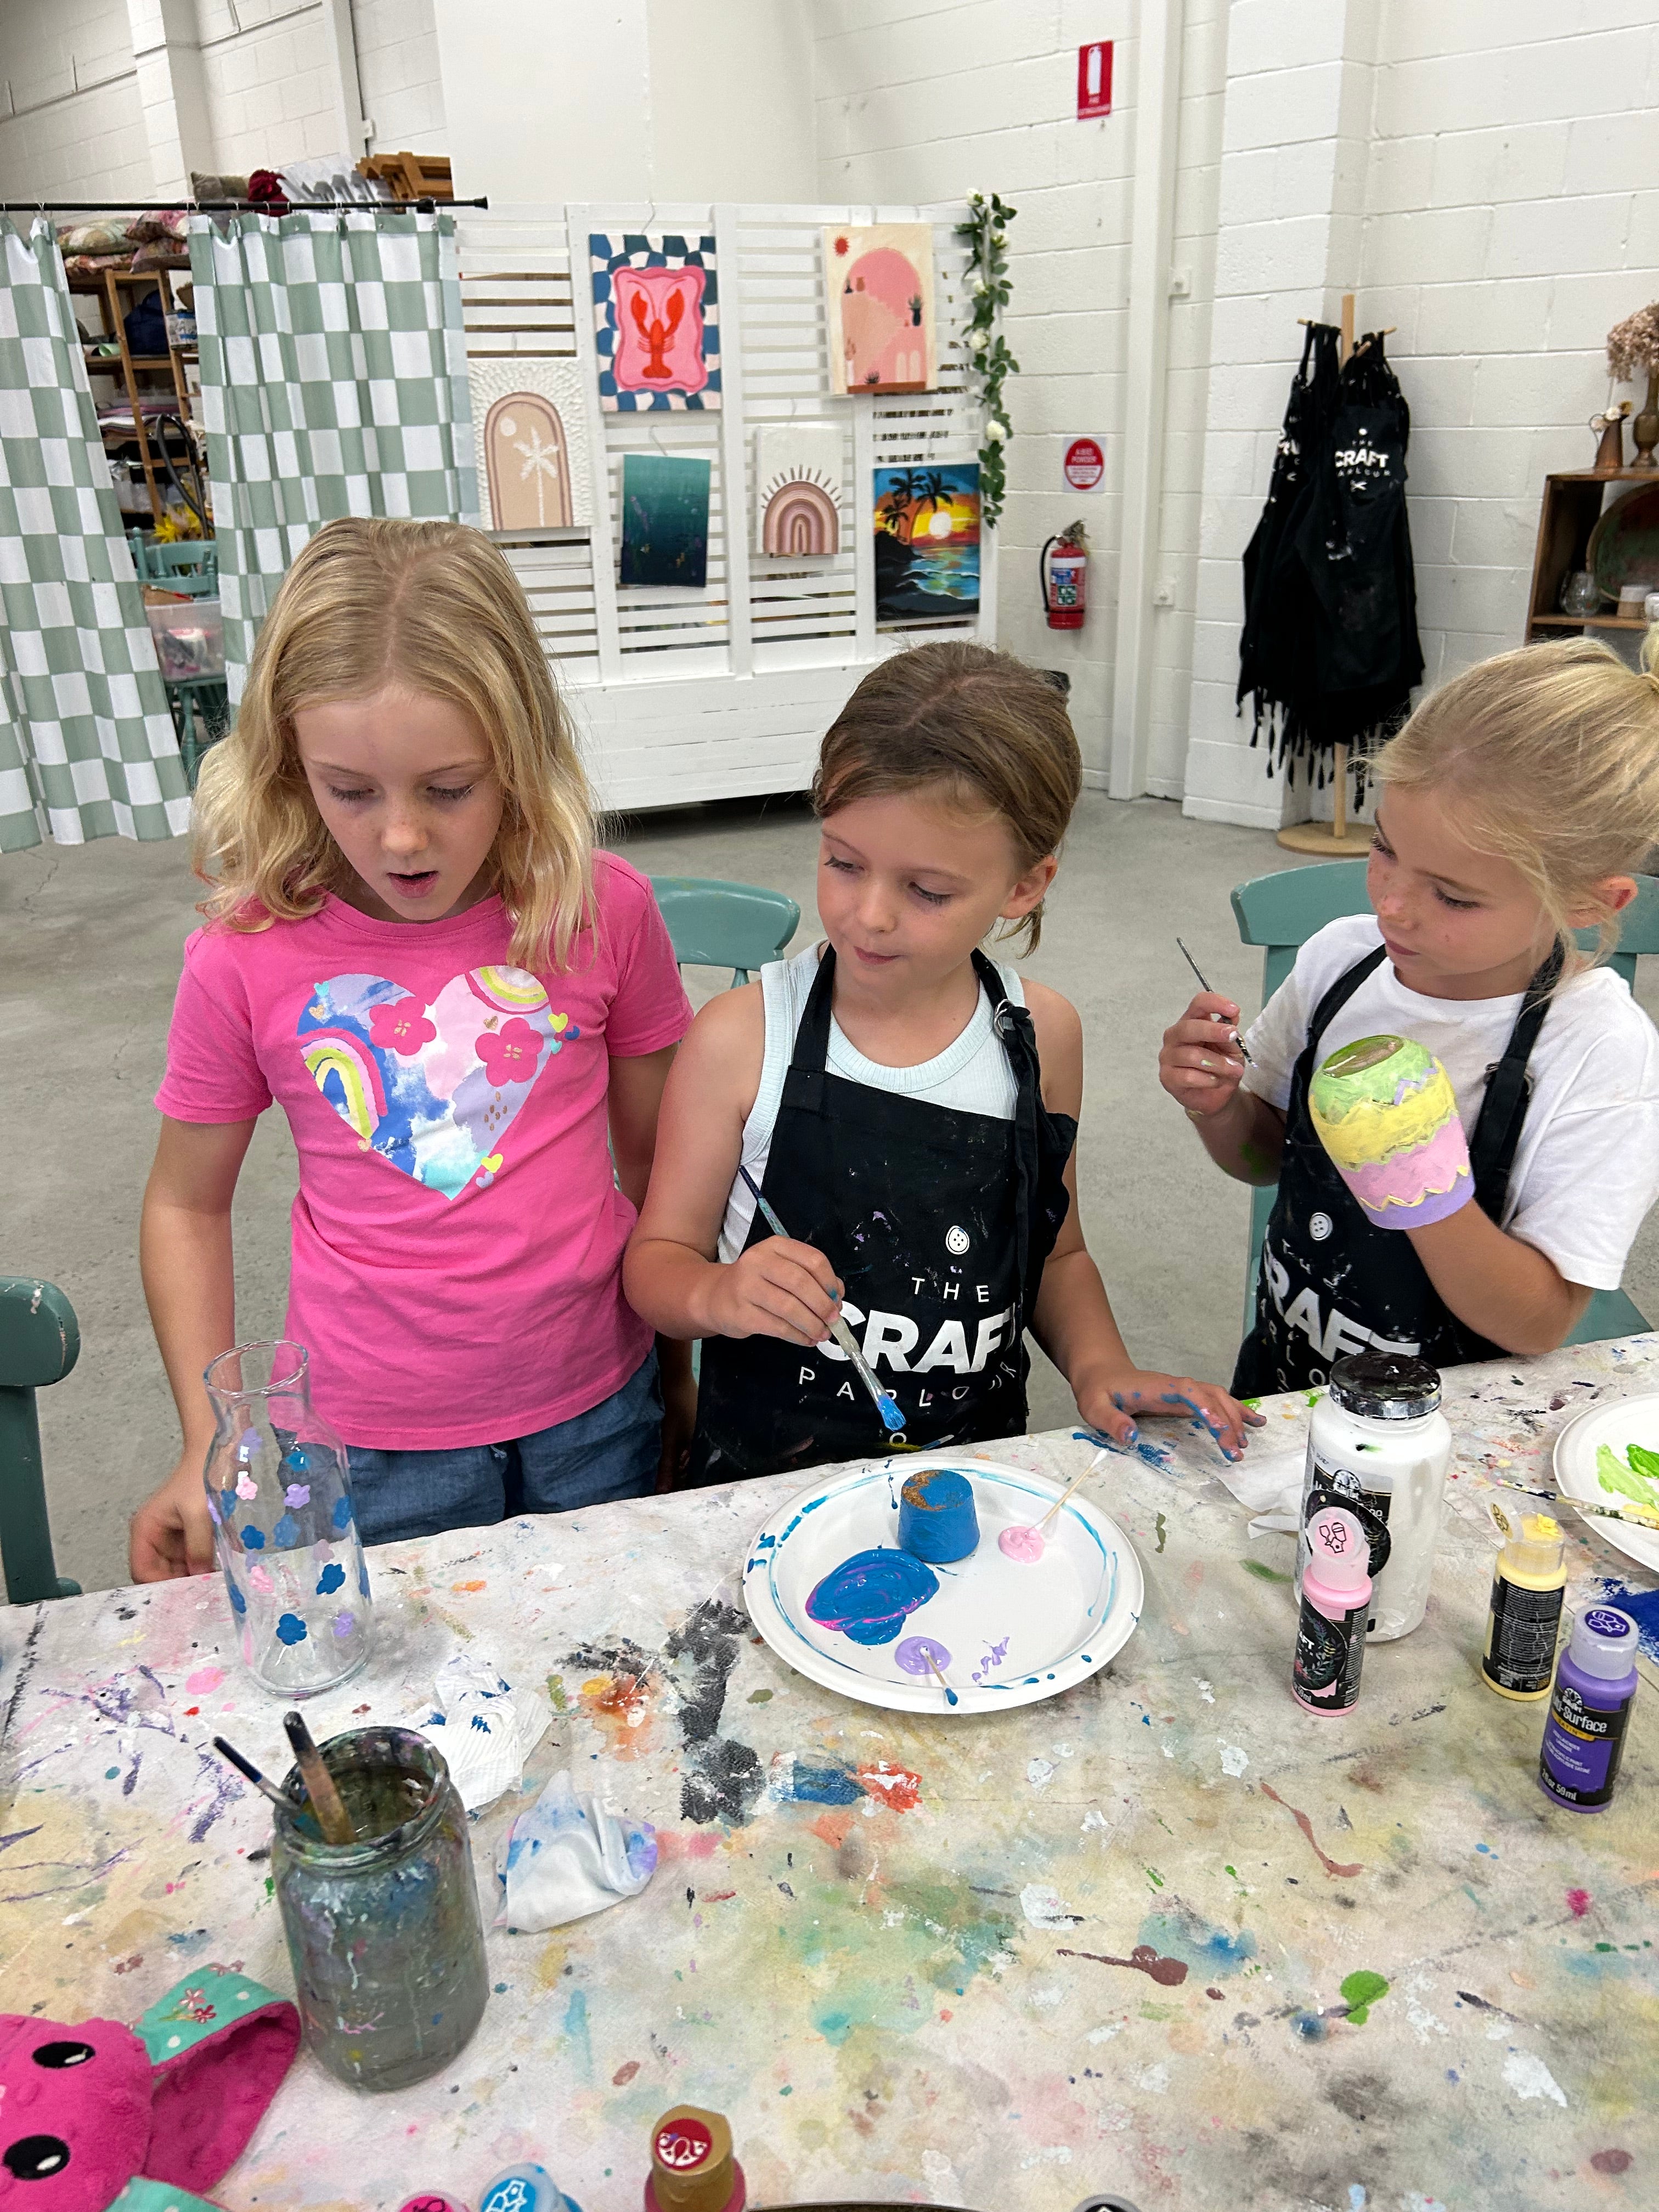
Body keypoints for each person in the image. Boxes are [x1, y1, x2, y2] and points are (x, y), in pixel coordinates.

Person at [131, 519, 693, 1577]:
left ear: (522, 753)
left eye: (449, 788)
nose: (400, 835)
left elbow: (659, 1167)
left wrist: (678, 1367)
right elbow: (184, 1203)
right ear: (291, 766)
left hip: (596, 1407)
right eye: (351, 789)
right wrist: (211, 1436)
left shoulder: (602, 912)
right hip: (368, 1442)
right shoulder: (241, 957)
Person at [625, 642, 1260, 1483]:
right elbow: (657, 1260)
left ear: (1026, 886)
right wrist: (717, 1295)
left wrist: (1102, 1366)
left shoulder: (1044, 1037)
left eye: (926, 890)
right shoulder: (741, 1037)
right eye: (843, 862)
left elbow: (1056, 1256)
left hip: (973, 1481)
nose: (870, 915)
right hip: (770, 1486)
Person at [1161, 635, 1659, 1397]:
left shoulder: (1601, 1053)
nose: (1390, 904)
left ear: (1592, 901)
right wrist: (1221, 1106)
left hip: (1446, 1435)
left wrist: (1420, 1185)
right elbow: (1265, 1159)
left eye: (1453, 896)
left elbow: (1539, 1324)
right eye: (1385, 848)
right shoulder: (1339, 962)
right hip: (1285, 1383)